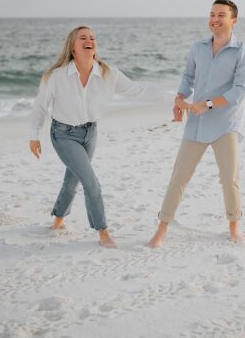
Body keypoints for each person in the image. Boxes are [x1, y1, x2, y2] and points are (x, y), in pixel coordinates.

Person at [28, 25, 154, 249]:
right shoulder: (57, 76)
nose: (89, 40)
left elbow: (137, 90)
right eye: (83, 38)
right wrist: (33, 136)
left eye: (92, 38)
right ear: (73, 47)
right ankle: (103, 232)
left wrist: (178, 97)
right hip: (63, 134)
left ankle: (58, 220)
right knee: (91, 182)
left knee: (73, 179)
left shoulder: (107, 73)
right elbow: (40, 105)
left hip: (90, 133)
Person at [147, 0, 245, 248]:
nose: (215, 19)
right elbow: (188, 77)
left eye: (221, 15)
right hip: (196, 124)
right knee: (179, 177)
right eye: (212, 14)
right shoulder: (198, 48)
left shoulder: (243, 53)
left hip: (226, 124)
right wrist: (180, 98)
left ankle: (234, 226)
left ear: (234, 20)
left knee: (229, 179)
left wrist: (206, 104)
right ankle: (161, 230)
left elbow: (240, 91)